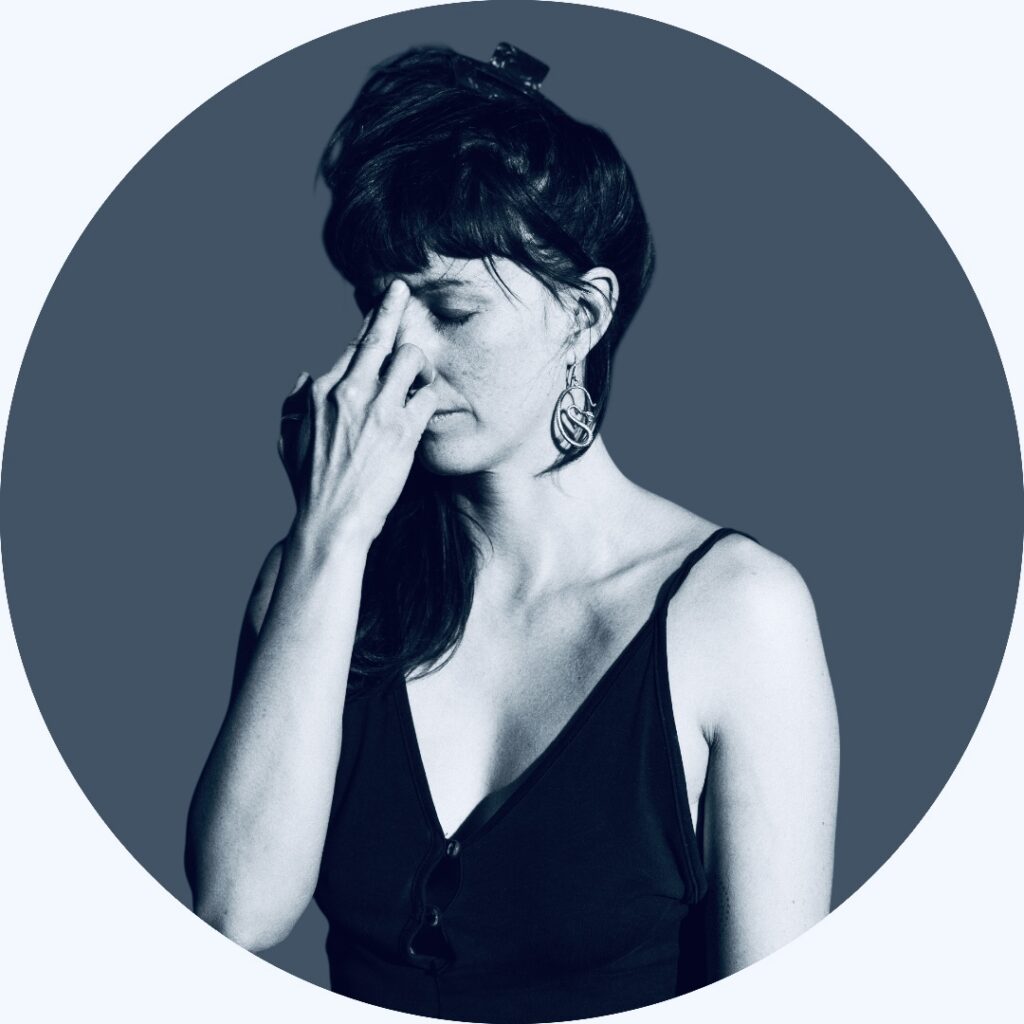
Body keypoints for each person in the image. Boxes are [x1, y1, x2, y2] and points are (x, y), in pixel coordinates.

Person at [184, 42, 840, 1024]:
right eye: (375, 308)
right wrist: (328, 537)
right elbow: (238, 910)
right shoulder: (320, 579)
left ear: (584, 314)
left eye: (451, 309)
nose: (400, 356)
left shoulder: (738, 614)